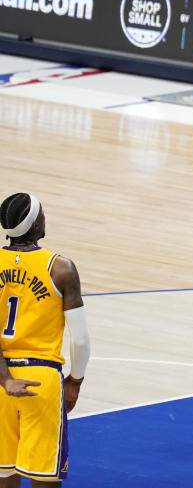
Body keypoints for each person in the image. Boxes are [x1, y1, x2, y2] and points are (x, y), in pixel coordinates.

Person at [0, 192, 91, 486]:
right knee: (44, 479)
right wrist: (75, 381)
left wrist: (6, 380)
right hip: (41, 380)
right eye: (42, 215)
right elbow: (80, 340)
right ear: (35, 224)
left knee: (4, 476)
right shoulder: (61, 268)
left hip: (1, 379)